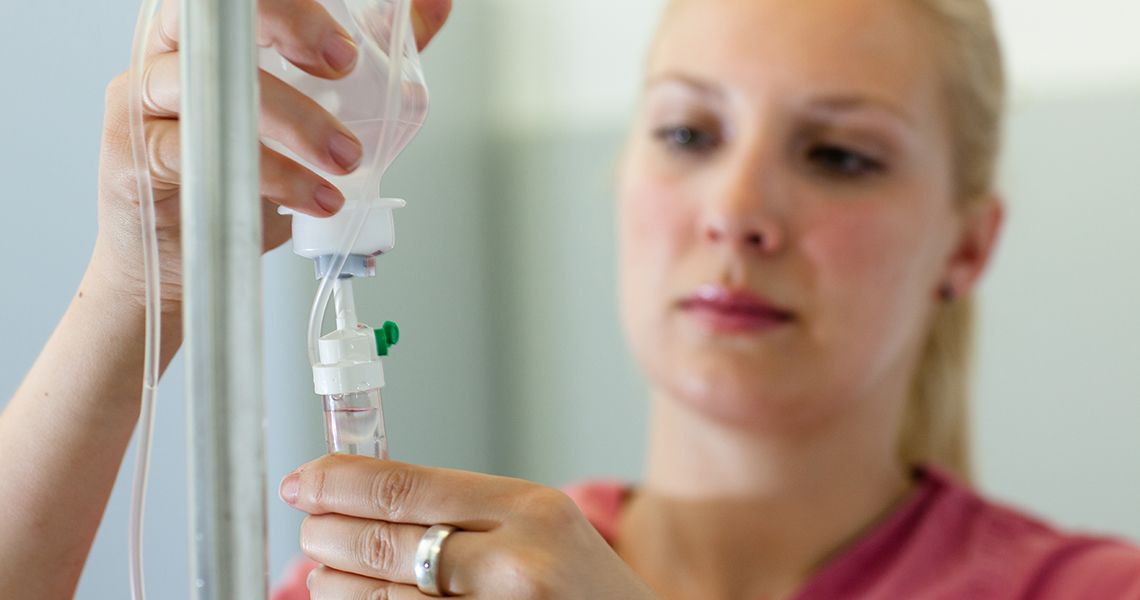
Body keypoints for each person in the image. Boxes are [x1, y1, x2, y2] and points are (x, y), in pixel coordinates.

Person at [2, 0, 1139, 598]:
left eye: (840, 155)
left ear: (969, 244)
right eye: (689, 133)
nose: (735, 211)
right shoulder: (430, 578)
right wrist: (132, 291)